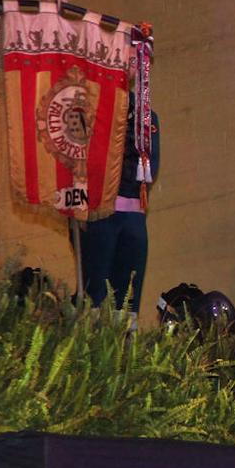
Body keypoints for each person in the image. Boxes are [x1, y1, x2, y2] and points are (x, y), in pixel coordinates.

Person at [80, 92, 160, 321]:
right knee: (94, 293)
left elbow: (150, 169)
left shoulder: (148, 118)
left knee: (128, 299)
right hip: (99, 214)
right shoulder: (91, 110)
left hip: (133, 216)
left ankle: (123, 351)